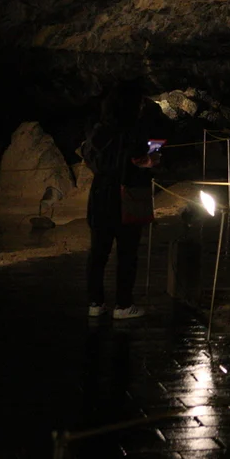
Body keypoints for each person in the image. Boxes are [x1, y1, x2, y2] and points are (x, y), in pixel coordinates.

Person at [84, 81, 159, 320]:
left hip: (100, 194)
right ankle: (123, 305)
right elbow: (145, 160)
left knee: (98, 253)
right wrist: (151, 159)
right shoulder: (135, 132)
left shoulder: (98, 130)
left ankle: (95, 303)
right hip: (126, 196)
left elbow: (89, 156)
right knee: (127, 253)